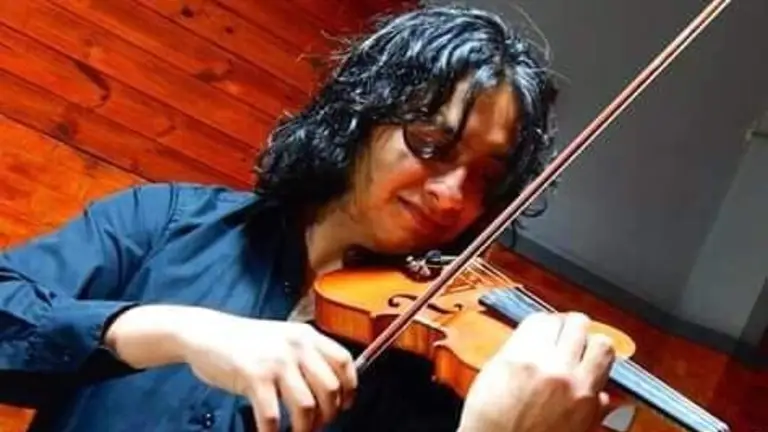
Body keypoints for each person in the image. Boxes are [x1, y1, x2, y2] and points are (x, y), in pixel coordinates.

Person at [0, 5, 615, 432]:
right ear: (358, 119)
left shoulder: (432, 378)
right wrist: (179, 332)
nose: (454, 195)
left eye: (486, 178)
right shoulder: (167, 222)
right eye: (431, 145)